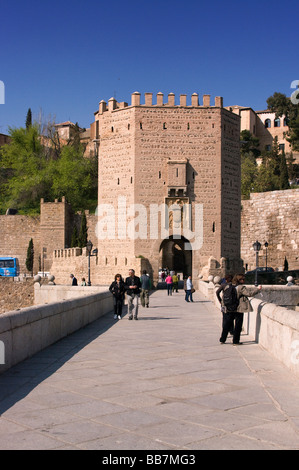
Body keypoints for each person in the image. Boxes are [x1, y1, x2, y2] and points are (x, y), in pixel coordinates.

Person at [232, 274, 262, 345]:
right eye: (242, 279)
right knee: (238, 325)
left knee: (235, 324)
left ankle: (234, 339)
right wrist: (258, 289)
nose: (243, 281)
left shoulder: (233, 286)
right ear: (239, 280)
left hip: (233, 306)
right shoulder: (241, 287)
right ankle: (236, 341)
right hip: (239, 307)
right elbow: (249, 294)